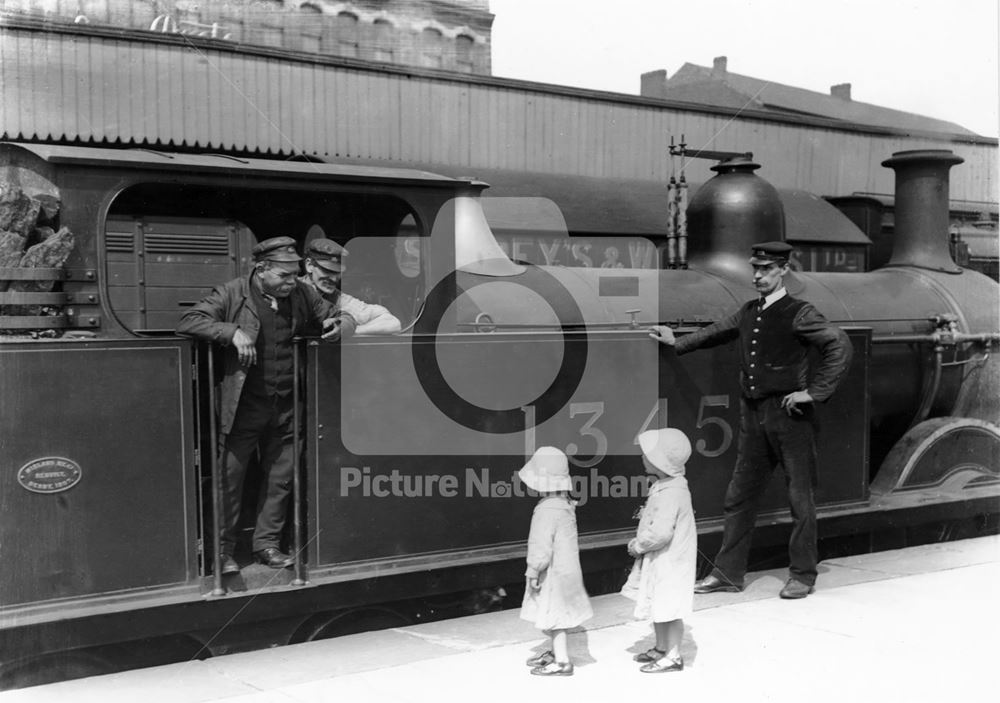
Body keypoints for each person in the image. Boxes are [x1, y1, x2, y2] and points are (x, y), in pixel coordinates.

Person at [649, 241, 852, 599]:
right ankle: (728, 574)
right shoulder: (748, 311)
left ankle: (802, 576)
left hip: (792, 418)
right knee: (739, 496)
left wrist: (815, 392)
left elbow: (839, 344)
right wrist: (676, 341)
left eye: (766, 270)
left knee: (799, 499)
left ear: (783, 270)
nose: (758, 276)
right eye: (754, 269)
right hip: (754, 416)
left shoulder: (800, 312)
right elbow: (715, 332)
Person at [176, 236, 354, 574]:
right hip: (243, 406)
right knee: (230, 479)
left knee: (280, 478)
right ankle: (222, 552)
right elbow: (189, 321)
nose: (292, 282)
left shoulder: (302, 293)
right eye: (284, 276)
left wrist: (341, 324)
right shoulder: (231, 292)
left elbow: (337, 313)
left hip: (287, 403)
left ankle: (267, 546)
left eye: (294, 275)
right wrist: (229, 332)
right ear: (261, 270)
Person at [622, 427, 696, 673]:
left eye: (647, 454)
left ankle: (673, 655)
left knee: (670, 609)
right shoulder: (669, 486)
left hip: (671, 562)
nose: (643, 457)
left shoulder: (670, 493)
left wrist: (638, 545)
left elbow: (661, 533)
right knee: (660, 605)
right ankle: (662, 647)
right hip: (664, 561)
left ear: (659, 461)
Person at [519, 446, 593, 677]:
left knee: (555, 618)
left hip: (552, 573)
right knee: (556, 614)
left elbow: (540, 546)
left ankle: (561, 661)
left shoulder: (545, 510)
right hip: (567, 571)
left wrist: (532, 571)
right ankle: (554, 653)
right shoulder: (565, 505)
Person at [300, 238, 401, 335]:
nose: (334, 279)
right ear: (309, 265)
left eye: (338, 273)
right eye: (328, 271)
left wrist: (347, 331)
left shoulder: (338, 299)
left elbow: (393, 323)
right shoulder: (292, 290)